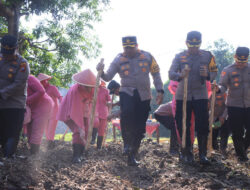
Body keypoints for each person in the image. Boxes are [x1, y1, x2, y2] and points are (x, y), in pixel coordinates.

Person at [96, 36, 164, 166]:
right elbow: (108, 76)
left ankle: (132, 155)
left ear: (137, 46)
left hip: (144, 95)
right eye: (126, 48)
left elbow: (156, 74)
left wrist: (160, 90)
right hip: (127, 92)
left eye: (131, 48)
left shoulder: (148, 56)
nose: (128, 51)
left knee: (140, 127)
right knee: (126, 112)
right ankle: (126, 143)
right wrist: (101, 70)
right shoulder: (118, 59)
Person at [169, 31, 218, 165]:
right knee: (182, 123)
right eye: (191, 45)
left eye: (197, 45)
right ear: (186, 43)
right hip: (182, 95)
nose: (194, 48)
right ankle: (186, 151)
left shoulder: (208, 56)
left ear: (200, 44)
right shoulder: (179, 57)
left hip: (200, 94)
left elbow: (214, 71)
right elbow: (170, 73)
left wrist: (207, 74)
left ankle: (202, 154)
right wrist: (180, 75)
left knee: (202, 123)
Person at [216, 47, 250, 162]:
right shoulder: (228, 70)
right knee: (237, 132)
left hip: (249, 104)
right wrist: (217, 89)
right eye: (239, 61)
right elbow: (223, 85)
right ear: (235, 57)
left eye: (244, 62)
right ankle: (241, 156)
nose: (241, 64)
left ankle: (243, 149)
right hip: (234, 105)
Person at [0, 34, 30, 158]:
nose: (6, 56)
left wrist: (1, 93)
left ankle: (8, 157)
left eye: (9, 53)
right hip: (1, 104)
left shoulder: (22, 64)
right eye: (4, 52)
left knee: (12, 133)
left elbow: (18, 84)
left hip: (15, 104)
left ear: (16, 48)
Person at [57, 69, 96, 163]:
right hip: (70, 112)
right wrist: (80, 127)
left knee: (86, 131)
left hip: (84, 112)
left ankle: (82, 154)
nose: (89, 88)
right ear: (81, 83)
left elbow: (92, 99)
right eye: (87, 85)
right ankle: (76, 156)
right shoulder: (75, 91)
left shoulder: (92, 89)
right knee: (78, 131)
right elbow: (76, 111)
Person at [26, 75, 53, 155]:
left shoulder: (30, 78)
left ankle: (34, 155)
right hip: (31, 106)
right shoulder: (12, 82)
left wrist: (26, 100)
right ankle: (33, 151)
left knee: (37, 129)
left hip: (43, 105)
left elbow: (41, 91)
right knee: (30, 129)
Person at [37, 73, 62, 149]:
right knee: (46, 129)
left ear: (46, 80)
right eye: (40, 82)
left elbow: (60, 97)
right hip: (44, 113)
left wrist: (63, 105)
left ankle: (50, 144)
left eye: (43, 81)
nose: (42, 83)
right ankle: (50, 145)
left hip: (54, 112)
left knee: (51, 129)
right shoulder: (40, 90)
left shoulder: (52, 88)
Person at [90, 81, 111, 149]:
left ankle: (99, 147)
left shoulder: (105, 91)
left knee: (101, 130)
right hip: (94, 112)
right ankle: (92, 140)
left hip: (104, 113)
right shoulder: (92, 90)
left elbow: (109, 101)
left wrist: (109, 114)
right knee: (95, 124)